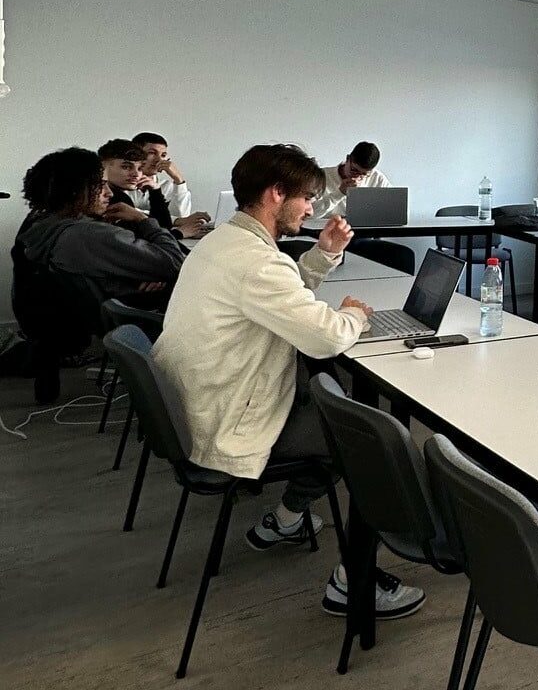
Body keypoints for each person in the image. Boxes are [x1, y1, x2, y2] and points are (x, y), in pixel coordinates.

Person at [153, 144, 424, 620]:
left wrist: (323, 255)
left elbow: (283, 293)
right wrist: (354, 316)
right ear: (277, 194)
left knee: (332, 403)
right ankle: (353, 581)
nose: (314, 208)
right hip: (225, 418)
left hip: (201, 401)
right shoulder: (257, 261)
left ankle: (288, 518)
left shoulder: (226, 243)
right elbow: (323, 338)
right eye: (307, 198)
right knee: (370, 438)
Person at [20, 146, 186, 308]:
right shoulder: (87, 234)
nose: (109, 193)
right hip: (132, 315)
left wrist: (145, 273)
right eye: (101, 185)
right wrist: (142, 219)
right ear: (74, 189)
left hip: (99, 312)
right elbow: (177, 264)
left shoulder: (44, 222)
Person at [100, 138, 206, 240]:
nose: (136, 174)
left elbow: (163, 226)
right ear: (103, 167)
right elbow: (140, 242)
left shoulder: (120, 194)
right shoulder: (107, 197)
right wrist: (179, 233)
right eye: (126, 167)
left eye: (140, 168)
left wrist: (155, 191)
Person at [128, 131, 203, 227]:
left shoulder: (166, 187)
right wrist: (176, 221)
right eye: (152, 153)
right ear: (134, 155)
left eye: (163, 155)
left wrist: (179, 180)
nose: (159, 160)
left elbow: (180, 218)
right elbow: (128, 212)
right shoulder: (119, 183)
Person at [311, 141, 391, 219]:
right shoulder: (320, 177)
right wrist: (340, 193)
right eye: (354, 170)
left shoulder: (378, 179)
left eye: (364, 174)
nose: (358, 176)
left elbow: (391, 209)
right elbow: (310, 215)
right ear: (348, 159)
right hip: (324, 228)